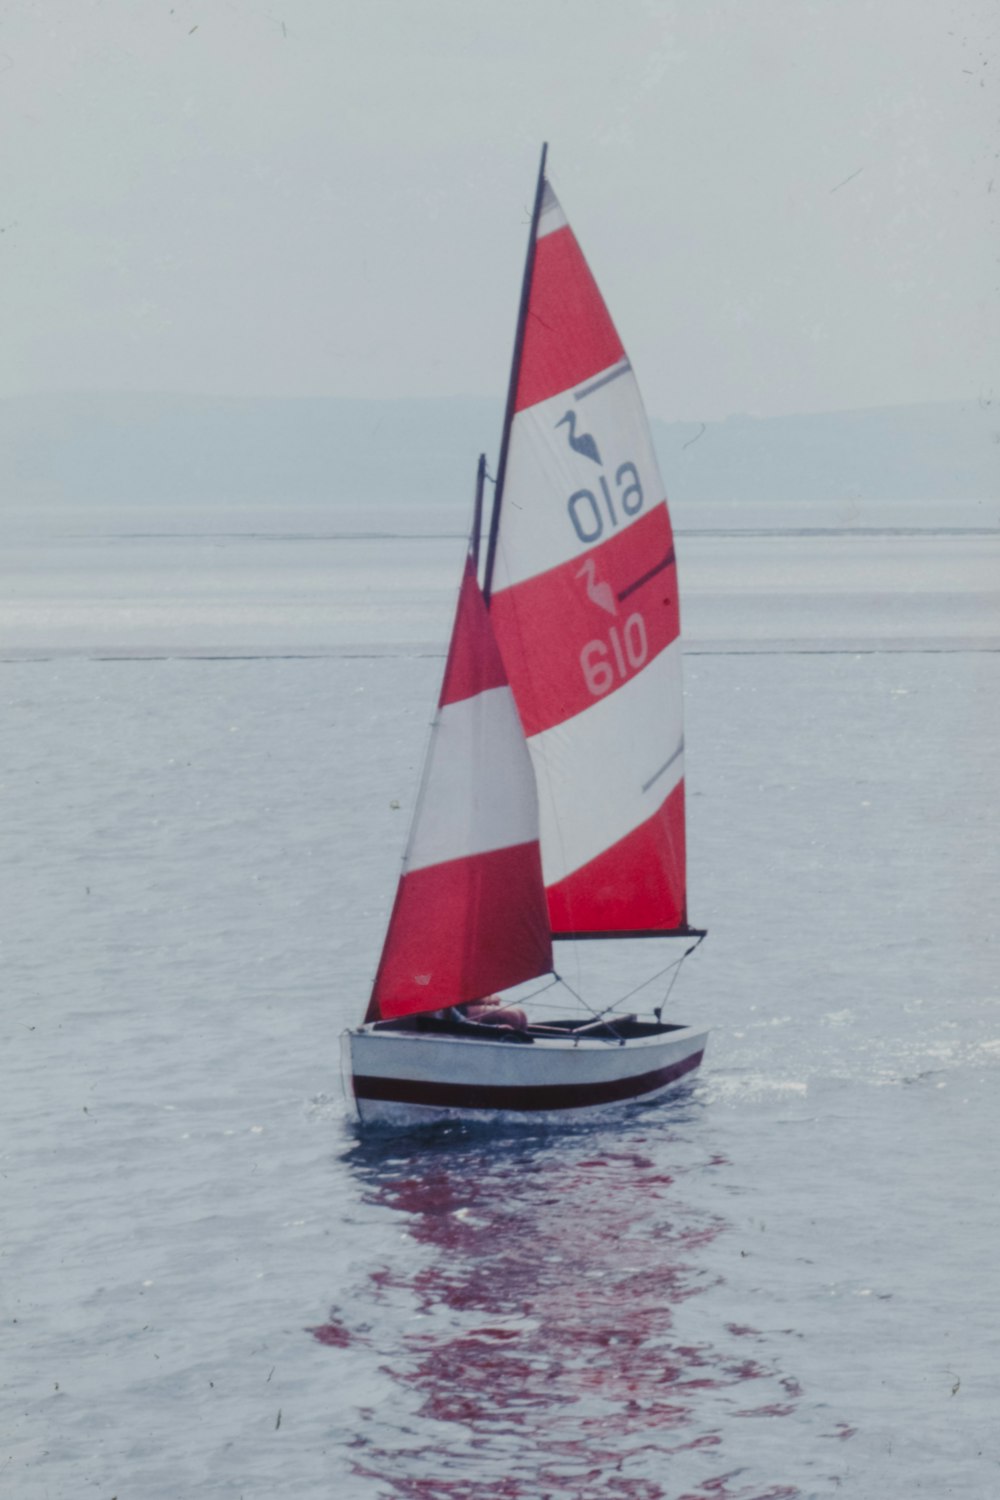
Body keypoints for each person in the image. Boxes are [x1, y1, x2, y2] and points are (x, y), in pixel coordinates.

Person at [457, 994, 528, 1030]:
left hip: (461, 1004)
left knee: (521, 1014)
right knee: (512, 1016)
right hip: (456, 1011)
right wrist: (495, 1027)